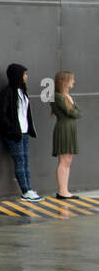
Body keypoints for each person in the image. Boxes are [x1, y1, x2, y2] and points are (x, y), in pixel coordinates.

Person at [0, 63, 40, 200]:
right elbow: (1, 115)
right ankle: (26, 191)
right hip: (15, 133)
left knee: (25, 161)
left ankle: (29, 189)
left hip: (24, 132)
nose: (26, 76)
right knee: (19, 161)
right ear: (18, 76)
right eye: (24, 74)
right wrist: (11, 129)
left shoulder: (23, 91)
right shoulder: (7, 92)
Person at [51, 71, 80, 199]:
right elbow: (72, 113)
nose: (73, 82)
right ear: (64, 81)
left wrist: (71, 103)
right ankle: (62, 191)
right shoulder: (57, 96)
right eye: (71, 79)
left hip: (70, 128)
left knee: (68, 161)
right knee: (64, 160)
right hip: (64, 128)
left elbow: (78, 113)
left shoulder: (67, 96)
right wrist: (72, 105)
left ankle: (65, 190)